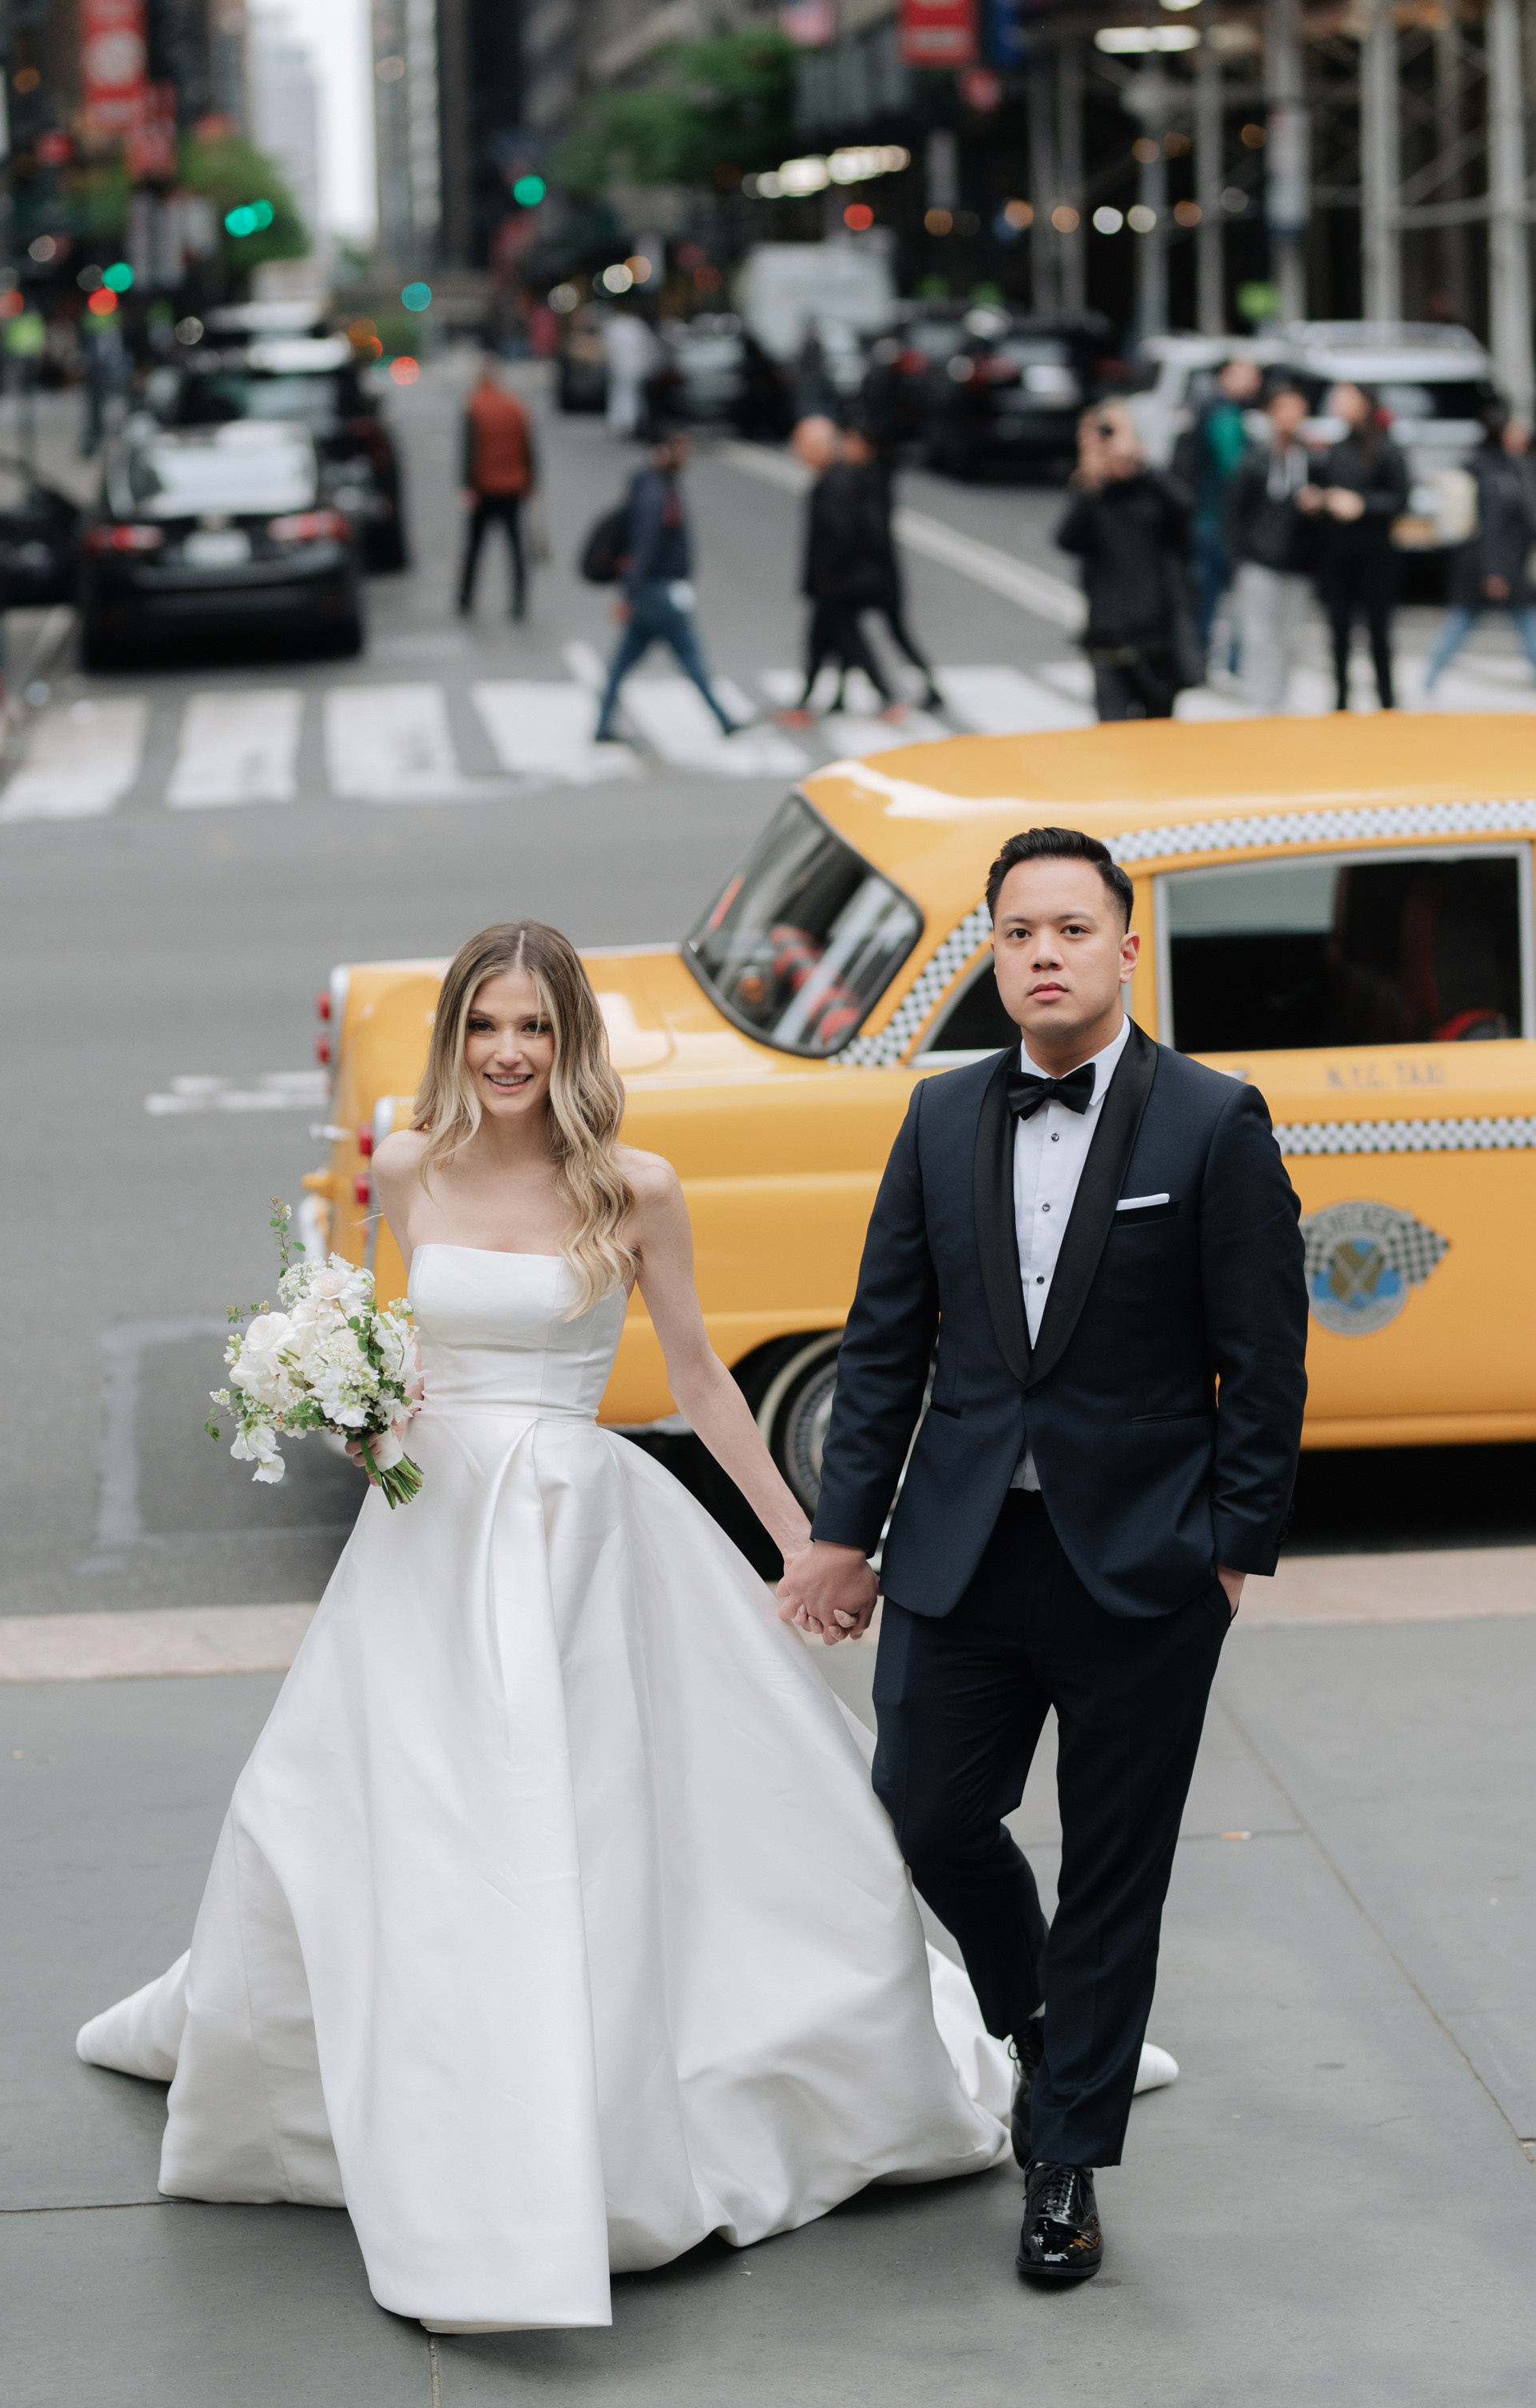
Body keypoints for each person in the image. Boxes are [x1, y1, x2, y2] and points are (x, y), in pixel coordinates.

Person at [74, 924, 1181, 2329]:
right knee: (371, 1795)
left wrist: (807, 1545)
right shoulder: (407, 1164)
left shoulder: (632, 1185)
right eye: (488, 1025)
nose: (510, 1052)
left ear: (573, 1040)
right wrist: (357, 1413)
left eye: (536, 1027)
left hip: (573, 1528)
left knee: (576, 1812)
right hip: (425, 1532)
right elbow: (400, 1344)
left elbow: (710, 1383)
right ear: (457, 1036)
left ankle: (604, 2096)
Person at [780, 827, 1308, 2282]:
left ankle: (1064, 2157)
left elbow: (1262, 1361)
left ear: (1125, 949)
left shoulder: (1213, 1121)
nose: (1046, 954)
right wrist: (844, 1534)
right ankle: (1035, 2020)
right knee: (925, 1808)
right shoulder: (944, 1118)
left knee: (1115, 1871)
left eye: (1073, 929)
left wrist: (1230, 1556)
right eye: (1019, 933)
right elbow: (885, 1346)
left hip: (1146, 1567)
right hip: (960, 1552)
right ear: (995, 952)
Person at [593, 427, 742, 744]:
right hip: (657, 594)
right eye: (679, 449)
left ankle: (603, 723)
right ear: (661, 451)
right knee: (690, 659)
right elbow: (643, 548)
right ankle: (724, 718)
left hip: (649, 592)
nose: (685, 456)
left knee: (622, 664)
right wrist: (631, 594)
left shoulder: (655, 485)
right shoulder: (655, 494)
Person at [1055, 401, 1199, 722]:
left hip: (1157, 636)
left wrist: (1141, 465)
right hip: (1109, 636)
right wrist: (1090, 483)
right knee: (1113, 736)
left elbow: (1185, 510)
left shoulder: (1151, 487)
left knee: (1158, 738)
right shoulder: (1095, 492)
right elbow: (1067, 539)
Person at [781, 418, 903, 725]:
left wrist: (826, 576)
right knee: (825, 643)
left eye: (802, 445)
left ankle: (884, 697)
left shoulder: (835, 482)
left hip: (837, 583)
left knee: (845, 642)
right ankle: (810, 701)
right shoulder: (837, 478)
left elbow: (841, 535)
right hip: (836, 581)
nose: (796, 451)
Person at [1302, 382, 1408, 711]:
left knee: (1378, 632)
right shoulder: (1334, 448)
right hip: (1337, 554)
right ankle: (1341, 701)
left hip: (1375, 553)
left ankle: (1386, 701)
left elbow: (1400, 499)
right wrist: (1317, 500)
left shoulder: (1386, 448)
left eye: (1344, 397)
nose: (1337, 403)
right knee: (1338, 633)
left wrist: (1362, 504)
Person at [1423, 406, 1536, 692]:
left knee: (1467, 622)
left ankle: (1429, 682)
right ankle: (1428, 683)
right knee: (1469, 622)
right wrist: (1494, 570)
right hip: (1490, 564)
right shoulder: (1492, 471)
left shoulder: (1513, 465)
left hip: (1502, 562)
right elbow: (1492, 526)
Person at [1223, 377, 1317, 714]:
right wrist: (1242, 553)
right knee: (1258, 636)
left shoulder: (1311, 459)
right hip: (1259, 560)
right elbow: (1235, 511)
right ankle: (1259, 702)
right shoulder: (1255, 459)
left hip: (1298, 560)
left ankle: (1283, 699)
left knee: (1291, 637)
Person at [843, 420, 945, 713]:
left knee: (885, 632)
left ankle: (915, 687)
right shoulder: (872, 475)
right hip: (879, 572)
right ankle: (926, 686)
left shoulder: (868, 479)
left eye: (851, 442)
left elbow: (873, 530)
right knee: (857, 630)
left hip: (875, 574)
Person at [1176, 354, 1261, 665]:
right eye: (1247, 373)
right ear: (1226, 375)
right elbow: (1233, 469)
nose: (1255, 382)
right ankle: (1216, 659)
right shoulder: (1223, 412)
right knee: (1221, 593)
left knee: (1211, 594)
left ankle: (1206, 657)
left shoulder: (1215, 408)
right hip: (1218, 520)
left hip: (1209, 517)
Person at [457, 357, 537, 620]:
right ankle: (519, 602)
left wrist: (467, 486)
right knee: (515, 548)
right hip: (513, 486)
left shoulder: (474, 406)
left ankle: (466, 599)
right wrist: (531, 480)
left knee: (475, 549)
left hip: (483, 487)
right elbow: (529, 447)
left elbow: (469, 451)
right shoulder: (516, 406)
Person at [603, 302, 657, 441]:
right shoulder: (635, 325)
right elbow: (649, 347)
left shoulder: (616, 326)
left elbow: (608, 348)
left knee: (623, 396)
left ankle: (625, 425)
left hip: (622, 367)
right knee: (630, 396)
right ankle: (627, 425)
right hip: (634, 367)